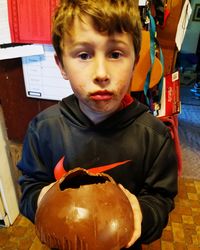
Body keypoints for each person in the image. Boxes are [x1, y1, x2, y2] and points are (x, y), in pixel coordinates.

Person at [17, 0, 178, 249]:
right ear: (61, 65)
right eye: (84, 55)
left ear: (135, 61)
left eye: (115, 54)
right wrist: (43, 199)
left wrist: (141, 215)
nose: (101, 73)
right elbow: (29, 189)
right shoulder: (43, 129)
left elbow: (161, 199)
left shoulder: (154, 137)